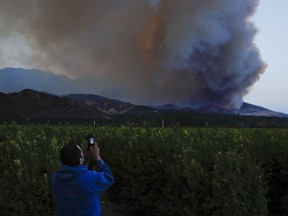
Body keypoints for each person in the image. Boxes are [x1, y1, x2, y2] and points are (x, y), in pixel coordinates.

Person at [51, 141, 114, 216]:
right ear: (80, 160)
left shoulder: (55, 176)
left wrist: (82, 158)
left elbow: (75, 171)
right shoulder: (89, 179)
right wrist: (98, 158)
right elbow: (108, 178)